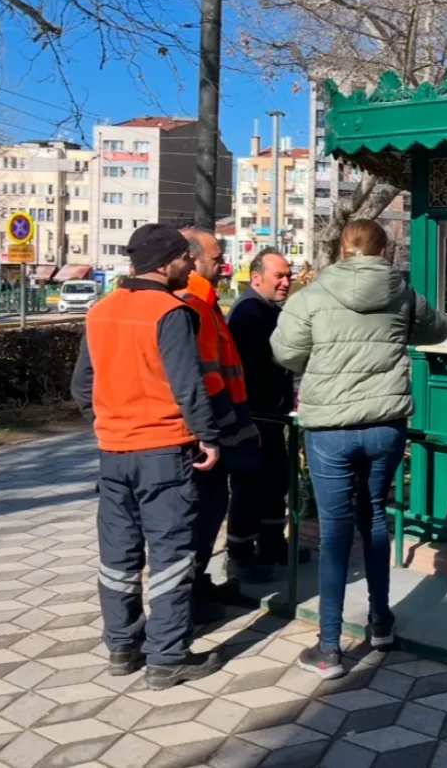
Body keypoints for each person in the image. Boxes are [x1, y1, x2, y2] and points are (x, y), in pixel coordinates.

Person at [272, 218, 447, 679]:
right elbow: (437, 330)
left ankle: (329, 647)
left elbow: (286, 352)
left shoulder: (310, 297)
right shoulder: (404, 294)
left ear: (341, 250)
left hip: (330, 429)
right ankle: (381, 623)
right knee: (374, 516)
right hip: (384, 426)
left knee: (334, 532)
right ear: (384, 251)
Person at [70, 223, 223, 690]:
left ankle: (121, 646)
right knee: (171, 553)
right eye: (186, 258)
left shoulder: (101, 311)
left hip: (113, 452)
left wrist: (113, 419)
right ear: (168, 262)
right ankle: (167, 656)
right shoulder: (169, 311)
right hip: (163, 451)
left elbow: (82, 385)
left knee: (117, 554)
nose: (191, 265)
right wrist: (208, 436)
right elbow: (187, 383)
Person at [179, 229, 264, 602]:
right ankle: (193, 594)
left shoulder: (206, 302)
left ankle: (199, 586)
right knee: (203, 511)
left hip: (218, 422)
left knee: (212, 509)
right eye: (216, 259)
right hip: (210, 429)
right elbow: (205, 375)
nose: (223, 264)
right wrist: (225, 424)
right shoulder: (195, 305)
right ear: (193, 260)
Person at [227, 248, 296, 570]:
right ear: (257, 278)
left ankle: (272, 544)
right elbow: (252, 370)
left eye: (288, 275)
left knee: (273, 482)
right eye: (278, 276)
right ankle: (241, 555)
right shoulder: (249, 313)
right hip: (254, 416)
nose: (286, 282)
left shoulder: (265, 309)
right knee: (251, 486)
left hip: (269, 414)